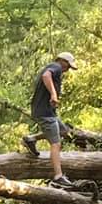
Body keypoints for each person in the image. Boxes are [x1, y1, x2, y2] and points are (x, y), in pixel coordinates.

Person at [23, 51, 76, 182]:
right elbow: (46, 76)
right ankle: (58, 176)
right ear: (62, 61)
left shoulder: (54, 68)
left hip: (48, 112)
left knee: (63, 131)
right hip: (45, 113)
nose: (67, 70)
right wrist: (53, 94)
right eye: (68, 66)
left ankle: (31, 139)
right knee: (55, 143)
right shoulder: (56, 67)